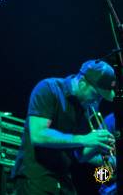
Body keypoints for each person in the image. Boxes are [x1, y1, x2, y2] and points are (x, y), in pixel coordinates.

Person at [12, 60, 116, 195]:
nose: (97, 101)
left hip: (63, 180)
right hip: (35, 178)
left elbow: (80, 156)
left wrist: (96, 144)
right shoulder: (48, 88)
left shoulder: (85, 108)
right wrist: (84, 139)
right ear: (83, 83)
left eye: (101, 98)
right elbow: (38, 135)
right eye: (96, 95)